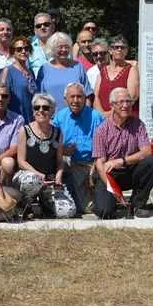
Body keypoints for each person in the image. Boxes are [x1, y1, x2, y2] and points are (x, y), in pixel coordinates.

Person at [92, 88, 153, 219]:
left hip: (130, 170)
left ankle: (138, 205)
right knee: (104, 212)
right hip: (109, 175)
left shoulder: (138, 124)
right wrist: (114, 190)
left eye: (128, 101)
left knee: (152, 162)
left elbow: (146, 151)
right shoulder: (101, 130)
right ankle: (108, 203)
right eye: (121, 102)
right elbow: (100, 164)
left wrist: (122, 161)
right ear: (112, 105)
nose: (125, 105)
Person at [11, 93, 76, 218]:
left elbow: (59, 161)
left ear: (52, 111)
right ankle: (25, 205)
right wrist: (39, 175)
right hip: (28, 177)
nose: (41, 110)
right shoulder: (24, 130)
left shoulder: (58, 132)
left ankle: (46, 205)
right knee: (32, 181)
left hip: (49, 181)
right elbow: (21, 162)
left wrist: (58, 177)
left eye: (45, 108)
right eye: (37, 107)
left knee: (68, 211)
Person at [53, 82, 105, 215]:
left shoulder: (96, 116)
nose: (75, 100)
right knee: (85, 208)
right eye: (72, 97)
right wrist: (63, 150)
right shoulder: (60, 117)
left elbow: (107, 144)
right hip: (71, 164)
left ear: (85, 98)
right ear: (66, 99)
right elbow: (51, 142)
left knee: (94, 208)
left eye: (79, 96)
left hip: (93, 163)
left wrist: (97, 161)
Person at [38, 31, 93, 111]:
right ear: (52, 49)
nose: (63, 50)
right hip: (51, 119)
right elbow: (39, 98)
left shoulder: (78, 67)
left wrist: (86, 115)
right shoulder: (44, 69)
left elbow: (87, 95)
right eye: (60, 47)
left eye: (66, 47)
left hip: (77, 118)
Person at [94, 35, 140, 115]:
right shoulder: (103, 71)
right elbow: (96, 97)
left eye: (123, 48)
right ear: (110, 51)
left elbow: (131, 97)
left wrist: (110, 114)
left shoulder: (131, 70)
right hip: (103, 121)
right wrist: (101, 114)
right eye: (116, 47)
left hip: (125, 120)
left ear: (126, 51)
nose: (119, 50)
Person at [0, 35, 38, 123]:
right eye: (19, 49)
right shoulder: (8, 71)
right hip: (15, 119)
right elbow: (2, 96)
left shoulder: (30, 72)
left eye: (26, 48)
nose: (23, 51)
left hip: (31, 118)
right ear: (13, 52)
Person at [28, 12, 56, 76]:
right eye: (38, 26)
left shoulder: (62, 47)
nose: (42, 27)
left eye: (46, 24)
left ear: (53, 27)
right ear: (35, 30)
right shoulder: (28, 49)